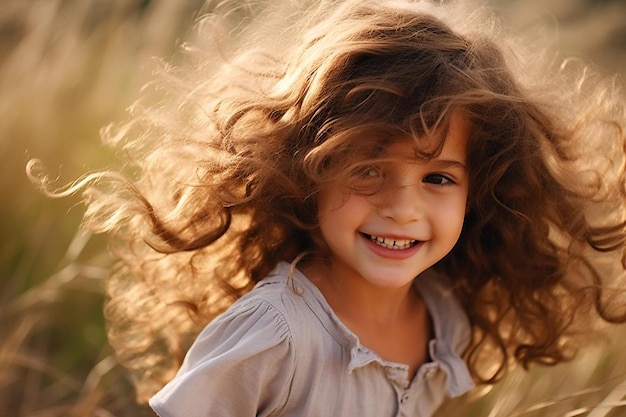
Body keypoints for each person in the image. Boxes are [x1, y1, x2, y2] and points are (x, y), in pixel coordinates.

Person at [27, 0, 626, 415]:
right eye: (369, 169)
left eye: (439, 177)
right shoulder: (276, 334)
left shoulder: (444, 321)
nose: (401, 207)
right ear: (305, 173)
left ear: (483, 192)